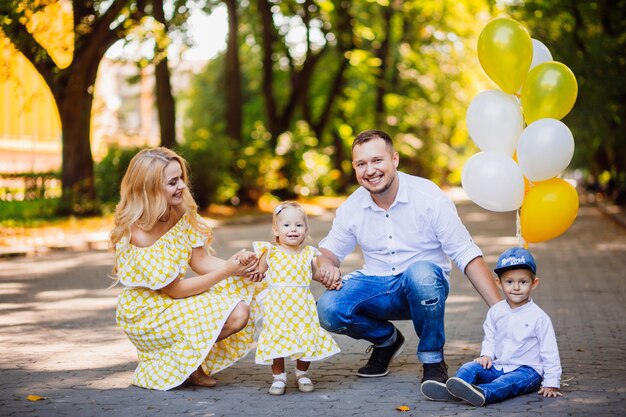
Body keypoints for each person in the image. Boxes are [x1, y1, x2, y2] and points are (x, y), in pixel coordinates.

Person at [314, 129, 502, 396]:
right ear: (354, 168)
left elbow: (466, 253)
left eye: (377, 160)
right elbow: (327, 252)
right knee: (328, 307)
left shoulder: (429, 197)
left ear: (395, 159)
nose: (370, 170)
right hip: (376, 287)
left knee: (422, 272)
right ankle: (386, 341)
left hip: (423, 287)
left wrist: (502, 312)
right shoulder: (351, 207)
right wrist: (326, 265)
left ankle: (433, 359)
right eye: (361, 164)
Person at [111, 147, 265, 391]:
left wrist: (241, 267)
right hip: (147, 310)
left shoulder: (181, 211)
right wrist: (227, 271)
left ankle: (187, 362)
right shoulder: (138, 233)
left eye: (181, 177)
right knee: (232, 302)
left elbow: (201, 262)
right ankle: (183, 363)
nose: (182, 186)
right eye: (173, 182)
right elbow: (176, 290)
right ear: (149, 189)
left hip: (173, 301)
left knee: (240, 309)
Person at [435, 247, 562, 406]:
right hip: (499, 366)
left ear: (534, 283)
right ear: (499, 283)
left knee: (507, 383)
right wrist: (486, 355)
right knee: (470, 368)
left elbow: (549, 350)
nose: (516, 287)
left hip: (528, 371)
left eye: (523, 282)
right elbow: (490, 337)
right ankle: (455, 389)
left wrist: (551, 382)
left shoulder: (539, 317)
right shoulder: (496, 311)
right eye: (509, 282)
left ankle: (483, 393)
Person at [244, 201, 340, 395]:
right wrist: (249, 270)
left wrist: (330, 280)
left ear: (306, 229)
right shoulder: (270, 252)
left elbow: (315, 274)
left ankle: (301, 373)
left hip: (302, 305)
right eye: (286, 225)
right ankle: (278, 377)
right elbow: (259, 273)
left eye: (298, 225)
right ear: (276, 230)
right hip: (278, 306)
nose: (293, 229)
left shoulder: (307, 254)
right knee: (277, 338)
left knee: (306, 337)